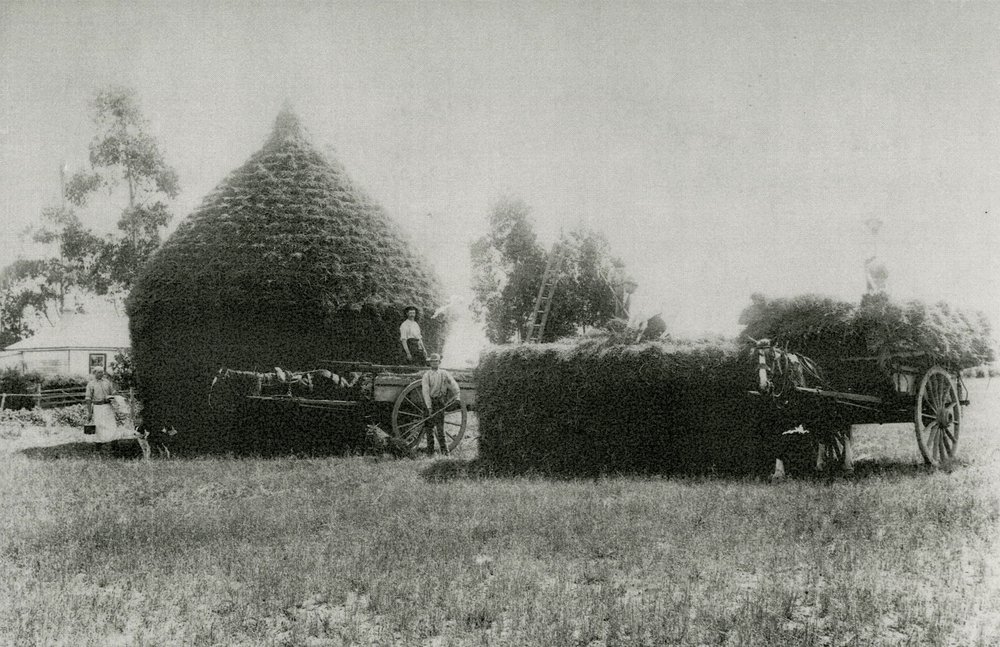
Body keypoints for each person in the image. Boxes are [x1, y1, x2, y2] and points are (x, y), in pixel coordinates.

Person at [420, 353, 461, 456]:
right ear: (430, 363)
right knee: (429, 428)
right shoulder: (427, 375)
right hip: (429, 402)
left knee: (440, 428)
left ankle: (445, 452)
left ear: (439, 362)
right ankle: (430, 452)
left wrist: (457, 395)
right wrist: (429, 407)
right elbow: (425, 391)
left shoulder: (444, 373)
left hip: (439, 402)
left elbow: (453, 383)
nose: (434, 363)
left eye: (436, 361)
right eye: (432, 361)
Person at [86, 367, 118, 446]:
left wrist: (113, 396)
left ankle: (113, 443)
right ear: (94, 373)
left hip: (107, 406)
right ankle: (98, 444)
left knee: (111, 424)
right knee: (99, 426)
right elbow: (88, 398)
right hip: (98, 407)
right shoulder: (91, 384)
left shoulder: (107, 382)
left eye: (102, 372)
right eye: (99, 372)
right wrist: (89, 412)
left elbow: (113, 393)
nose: (101, 374)